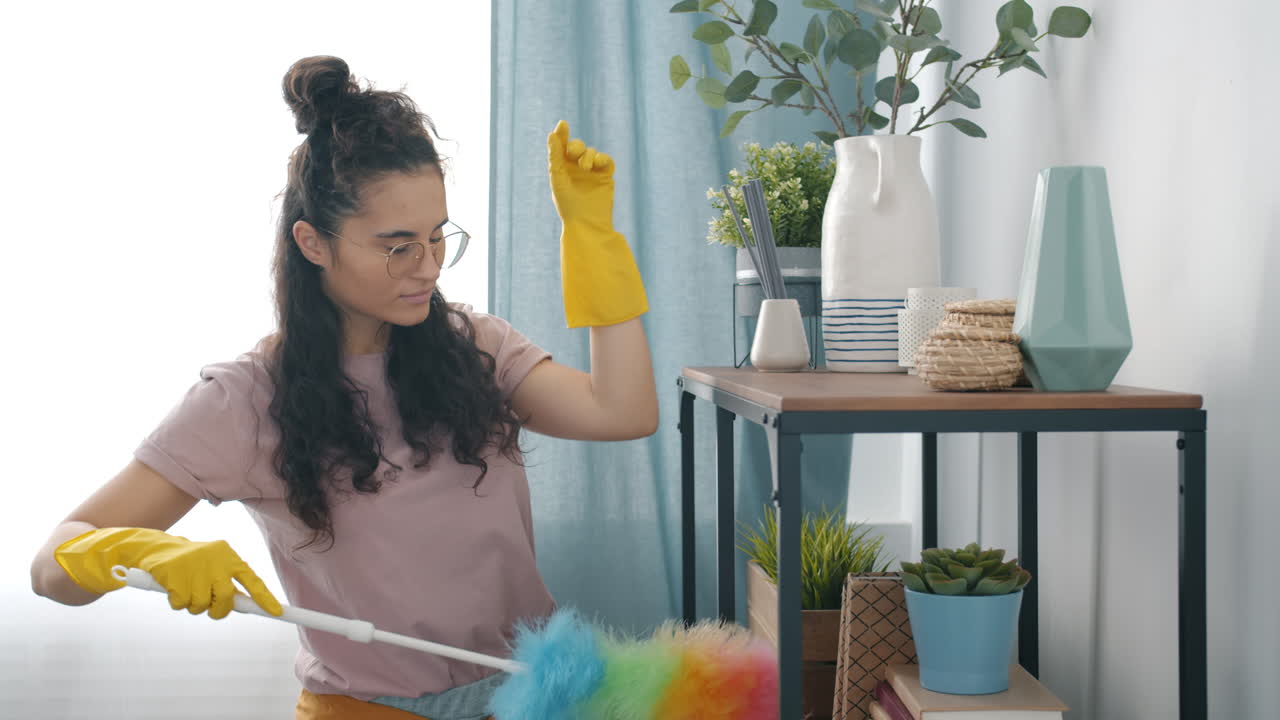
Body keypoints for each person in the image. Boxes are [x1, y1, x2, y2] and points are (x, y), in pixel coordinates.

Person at [28, 55, 657, 720]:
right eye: (397, 246)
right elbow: (50, 570)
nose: (427, 268)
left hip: (531, 698)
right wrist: (136, 549)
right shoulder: (243, 400)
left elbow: (623, 411)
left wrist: (593, 238)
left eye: (439, 237)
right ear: (313, 242)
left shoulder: (477, 347)